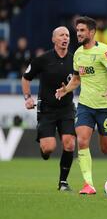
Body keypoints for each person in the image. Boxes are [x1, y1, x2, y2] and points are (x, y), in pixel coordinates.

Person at [55, 16, 107, 195]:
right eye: (77, 30)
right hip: (85, 105)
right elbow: (77, 79)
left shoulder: (104, 51)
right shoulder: (78, 54)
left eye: (82, 30)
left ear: (92, 32)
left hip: (105, 106)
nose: (78, 33)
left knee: (106, 149)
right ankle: (89, 184)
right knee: (82, 139)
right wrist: (66, 90)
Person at [21, 26, 76, 191]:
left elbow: (80, 80)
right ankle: (44, 150)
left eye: (67, 35)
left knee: (69, 143)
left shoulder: (75, 60)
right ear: (54, 39)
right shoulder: (42, 59)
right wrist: (27, 97)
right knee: (49, 147)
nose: (65, 38)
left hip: (66, 108)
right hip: (47, 109)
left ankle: (63, 182)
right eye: (61, 35)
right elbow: (26, 78)